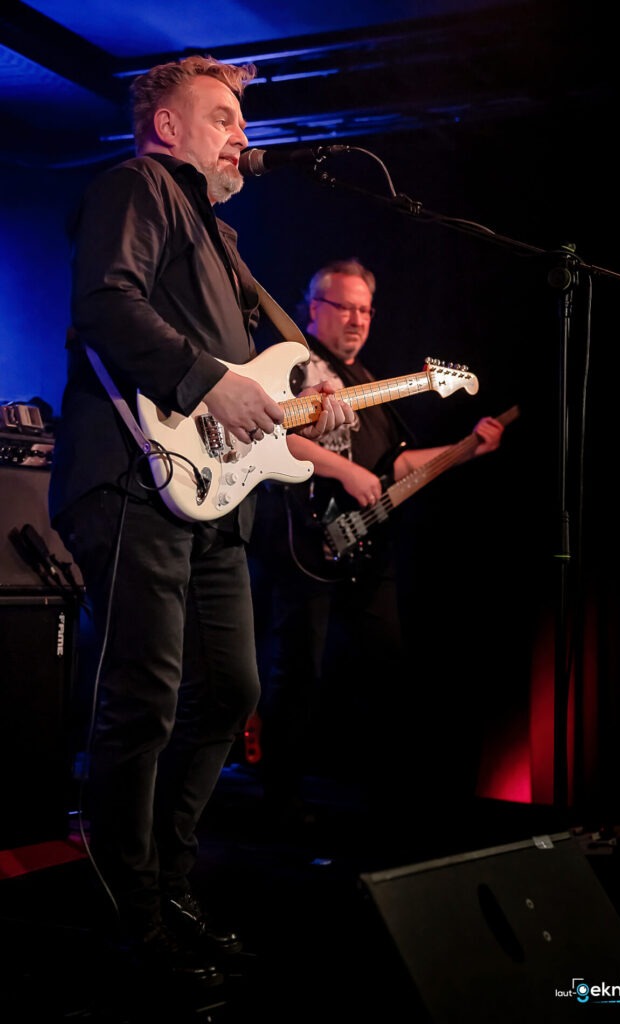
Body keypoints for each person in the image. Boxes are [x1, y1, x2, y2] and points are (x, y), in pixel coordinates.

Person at [47, 55, 354, 990]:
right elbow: (105, 303)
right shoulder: (138, 182)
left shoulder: (220, 241)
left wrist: (315, 383)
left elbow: (263, 366)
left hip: (211, 496)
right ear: (167, 127)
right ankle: (127, 912)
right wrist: (207, 379)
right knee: (143, 697)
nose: (240, 136)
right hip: (135, 478)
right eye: (220, 116)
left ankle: (168, 885)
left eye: (242, 121)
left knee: (228, 688)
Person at [249, 258, 506, 830]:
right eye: (345, 307)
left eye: (366, 309)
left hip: (364, 543)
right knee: (297, 671)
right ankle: (279, 804)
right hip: (302, 537)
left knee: (386, 667)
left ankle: (392, 802)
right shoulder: (291, 362)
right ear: (313, 308)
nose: (358, 320)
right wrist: (342, 470)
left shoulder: (369, 383)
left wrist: (465, 448)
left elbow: (393, 467)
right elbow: (273, 433)